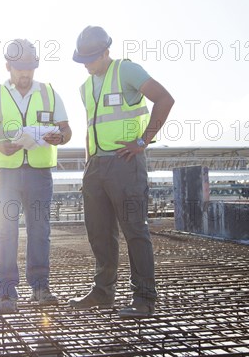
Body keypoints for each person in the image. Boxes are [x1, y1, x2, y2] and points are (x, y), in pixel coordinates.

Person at [68, 26, 175, 318]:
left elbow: (165, 99)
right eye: (83, 60)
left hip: (125, 164)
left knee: (135, 232)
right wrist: (89, 163)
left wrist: (143, 141)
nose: (87, 64)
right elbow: (91, 128)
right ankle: (103, 292)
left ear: (106, 52)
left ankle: (144, 298)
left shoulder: (126, 70)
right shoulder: (85, 87)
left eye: (91, 58)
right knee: (99, 234)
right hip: (96, 167)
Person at [0, 39, 72, 314]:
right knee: (4, 232)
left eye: (30, 67)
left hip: (39, 174)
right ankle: (6, 292)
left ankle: (40, 287)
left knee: (39, 231)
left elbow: (67, 130)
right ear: (8, 66)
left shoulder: (49, 93)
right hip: (4, 174)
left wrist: (60, 136)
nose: (25, 74)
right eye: (19, 68)